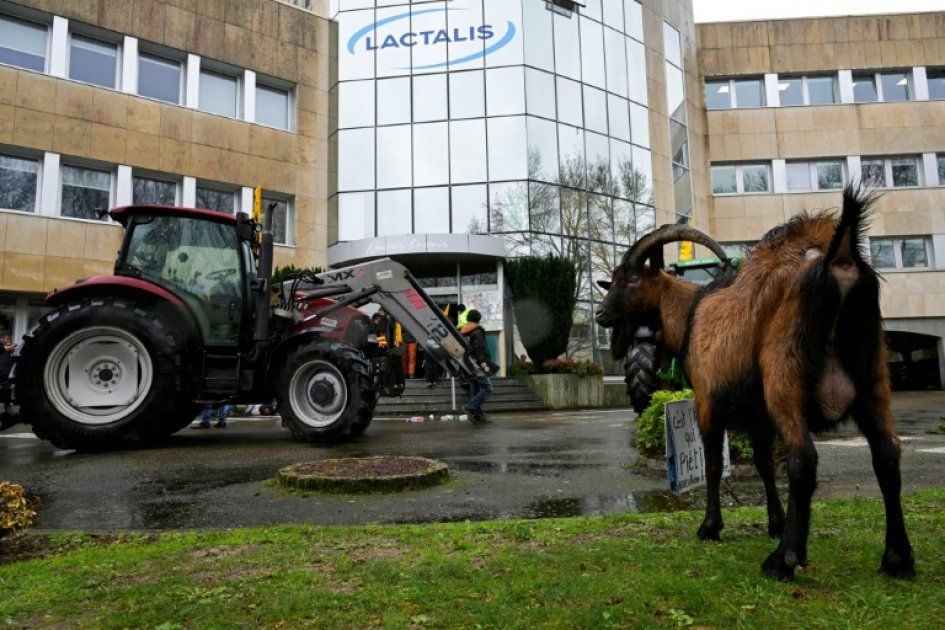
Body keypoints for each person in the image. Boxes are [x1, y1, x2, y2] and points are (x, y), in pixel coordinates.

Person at [459, 310, 492, 425]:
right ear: (478, 319)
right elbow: (480, 349)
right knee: (487, 388)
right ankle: (469, 407)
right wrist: (485, 363)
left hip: (466, 364)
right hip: (477, 365)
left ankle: (477, 416)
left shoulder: (462, 331)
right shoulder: (477, 331)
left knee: (475, 390)